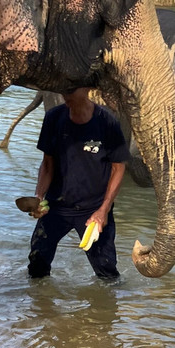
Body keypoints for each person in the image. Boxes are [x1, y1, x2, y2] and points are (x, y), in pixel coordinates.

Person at [25, 87, 128, 280]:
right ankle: (40, 308)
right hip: (56, 207)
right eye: (64, 89)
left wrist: (103, 210)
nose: (65, 94)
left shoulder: (107, 122)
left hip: (93, 209)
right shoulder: (53, 118)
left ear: (88, 88)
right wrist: (39, 197)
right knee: (36, 267)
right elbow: (47, 164)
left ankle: (107, 309)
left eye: (71, 89)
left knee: (107, 273)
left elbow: (118, 168)